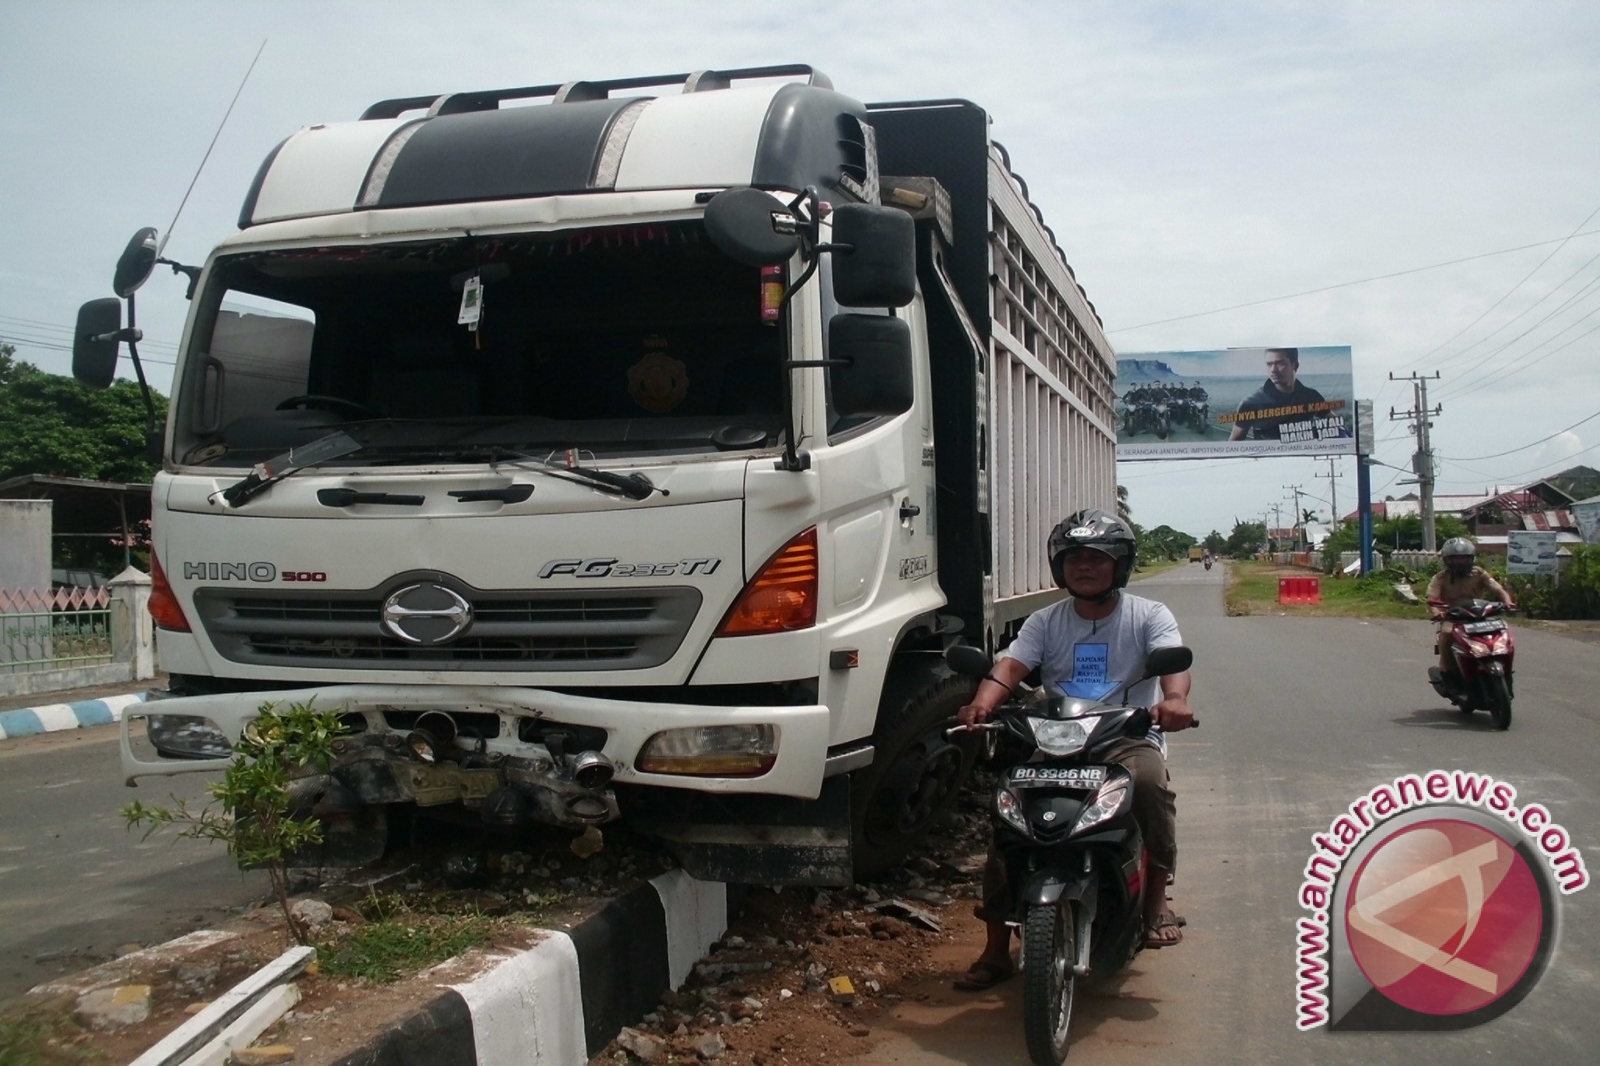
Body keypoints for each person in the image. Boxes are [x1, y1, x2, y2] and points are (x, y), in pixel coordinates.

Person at [952, 508, 1196, 992]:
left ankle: (1153, 902)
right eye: (1074, 558)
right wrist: (981, 704)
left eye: (1097, 558)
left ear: (1119, 567)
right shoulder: (1046, 621)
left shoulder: (1149, 615)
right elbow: (1010, 668)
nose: (1085, 567)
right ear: (1059, 567)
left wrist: (1174, 701)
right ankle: (996, 948)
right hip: (1057, 736)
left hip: (1126, 735)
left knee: (1148, 785)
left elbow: (1173, 664)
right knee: (1009, 815)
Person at [1425, 537, 1515, 681]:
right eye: (1456, 559)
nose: (1461, 562)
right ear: (1447, 560)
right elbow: (1432, 598)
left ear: (1471, 559)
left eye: (1464, 558)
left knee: (1501, 630)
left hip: (1479, 615)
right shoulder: (1440, 578)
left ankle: (1503, 663)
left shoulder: (1479, 573)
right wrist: (1438, 613)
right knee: (1447, 633)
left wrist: (1507, 602)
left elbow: (1498, 589)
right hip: (1453, 617)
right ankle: (1447, 670)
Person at [1227, 347, 1328, 441]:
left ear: (1295, 365)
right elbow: (1233, 444)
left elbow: (1336, 425)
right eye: (1269, 364)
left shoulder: (1311, 396)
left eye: (1280, 363)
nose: (1273, 370)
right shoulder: (1251, 403)